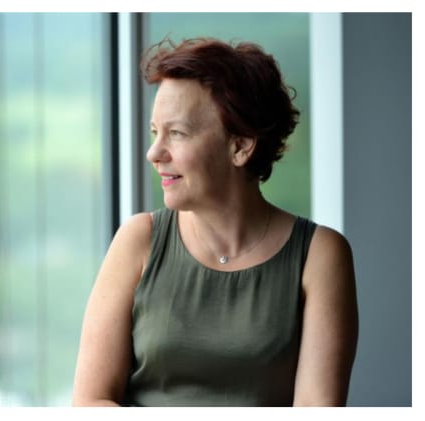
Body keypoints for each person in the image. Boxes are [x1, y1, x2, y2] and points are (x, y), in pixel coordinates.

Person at [72, 38, 358, 406]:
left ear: (240, 146)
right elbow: (90, 403)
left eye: (177, 133)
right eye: (155, 132)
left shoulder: (320, 255)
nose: (153, 153)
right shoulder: (138, 240)